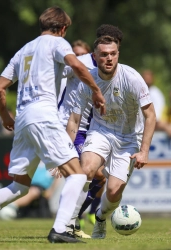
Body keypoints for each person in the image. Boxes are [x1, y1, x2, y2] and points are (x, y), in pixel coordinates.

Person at [0, 6, 105, 243]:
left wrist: (6, 117)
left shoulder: (23, 51)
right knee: (78, 175)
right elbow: (78, 67)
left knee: (19, 187)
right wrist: (96, 90)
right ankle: (60, 229)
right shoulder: (58, 43)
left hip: (23, 120)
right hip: (44, 116)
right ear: (61, 29)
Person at [66, 35, 156, 239]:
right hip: (100, 131)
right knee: (86, 168)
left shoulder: (132, 78)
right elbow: (74, 119)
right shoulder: (87, 81)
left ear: (118, 55)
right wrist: (65, 150)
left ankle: (99, 218)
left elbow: (150, 115)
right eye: (104, 54)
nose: (109, 58)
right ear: (95, 57)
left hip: (129, 137)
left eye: (113, 54)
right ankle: (69, 223)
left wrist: (144, 151)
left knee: (114, 192)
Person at [57, 24, 124, 239]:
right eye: (105, 50)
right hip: (71, 124)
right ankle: (66, 223)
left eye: (114, 50)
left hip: (92, 129)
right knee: (83, 174)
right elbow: (56, 74)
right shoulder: (82, 63)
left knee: (101, 178)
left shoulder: (116, 70)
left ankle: (73, 220)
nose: (110, 55)